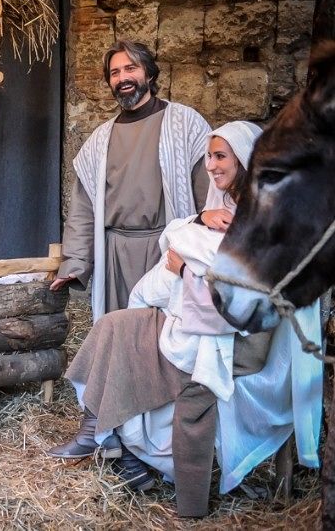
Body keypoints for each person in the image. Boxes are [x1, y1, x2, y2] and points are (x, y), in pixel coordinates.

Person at [46, 121, 322, 517]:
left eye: (220, 156)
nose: (210, 165)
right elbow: (185, 241)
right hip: (196, 320)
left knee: (132, 348)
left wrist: (183, 268)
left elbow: (239, 293)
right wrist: (198, 224)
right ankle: (97, 431)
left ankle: (126, 452)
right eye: (209, 156)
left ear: (245, 160)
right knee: (112, 325)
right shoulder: (226, 207)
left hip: (236, 339)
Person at [51, 40, 212, 321]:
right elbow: (83, 210)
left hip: (166, 252)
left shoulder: (186, 124)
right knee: (120, 331)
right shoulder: (99, 141)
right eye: (115, 73)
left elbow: (209, 194)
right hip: (115, 258)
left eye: (130, 68)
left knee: (164, 334)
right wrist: (75, 263)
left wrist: (206, 253)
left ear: (149, 73)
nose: (122, 78)